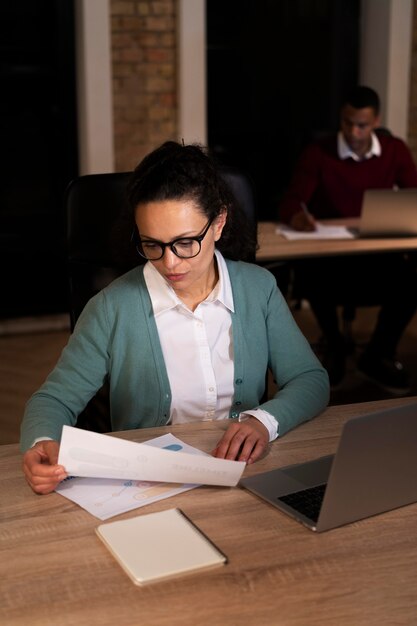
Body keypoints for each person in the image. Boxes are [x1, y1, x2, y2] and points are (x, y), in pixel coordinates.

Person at [21, 141, 329, 494]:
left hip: (245, 476)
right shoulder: (111, 307)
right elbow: (53, 400)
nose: (169, 263)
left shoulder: (259, 289)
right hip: (145, 488)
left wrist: (263, 422)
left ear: (218, 223)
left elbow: (310, 379)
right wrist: (41, 442)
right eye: (152, 244)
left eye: (185, 243)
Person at [279, 85, 417, 391]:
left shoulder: (394, 150)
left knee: (413, 278)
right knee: (309, 274)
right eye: (347, 123)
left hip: (378, 255)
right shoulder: (319, 153)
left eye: (362, 125)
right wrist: (298, 217)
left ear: (376, 122)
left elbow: (413, 194)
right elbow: (290, 202)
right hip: (330, 258)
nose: (354, 131)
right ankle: (335, 346)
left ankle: (377, 353)